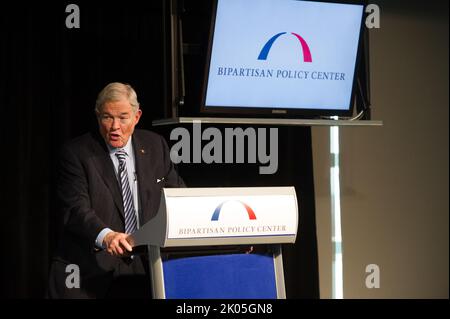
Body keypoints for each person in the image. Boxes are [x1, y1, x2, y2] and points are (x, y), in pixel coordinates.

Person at [48, 82, 185, 298]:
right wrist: (107, 236)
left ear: (137, 116)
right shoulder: (75, 154)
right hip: (91, 270)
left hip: (146, 267)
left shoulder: (155, 146)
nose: (114, 127)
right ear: (97, 116)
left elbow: (178, 199)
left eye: (123, 117)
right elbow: (75, 209)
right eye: (107, 117)